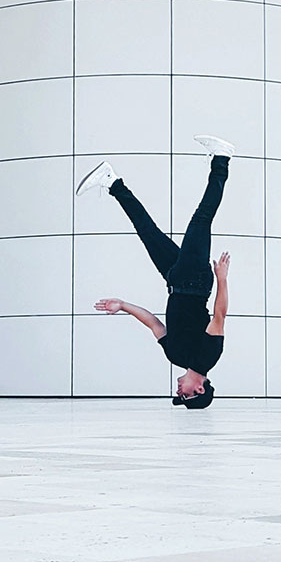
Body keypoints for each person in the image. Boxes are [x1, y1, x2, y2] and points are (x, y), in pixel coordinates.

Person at [76, 134, 234, 409]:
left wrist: (123, 305)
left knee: (146, 231)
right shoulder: (207, 357)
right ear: (200, 387)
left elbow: (153, 323)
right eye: (185, 394)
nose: (179, 391)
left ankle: (112, 181)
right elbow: (219, 315)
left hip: (174, 279)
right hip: (195, 281)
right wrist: (222, 279)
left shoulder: (175, 356)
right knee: (201, 218)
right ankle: (222, 160)